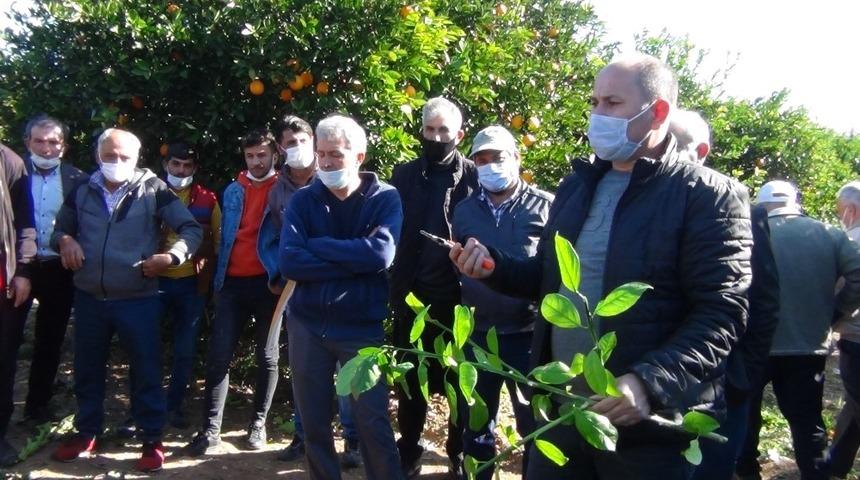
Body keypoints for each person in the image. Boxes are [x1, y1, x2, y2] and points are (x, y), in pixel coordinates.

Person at [450, 54, 753, 479]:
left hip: (647, 430)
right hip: (562, 411)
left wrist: (648, 383)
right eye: (593, 102)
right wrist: (493, 267)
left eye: (611, 103)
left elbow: (723, 313)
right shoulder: (577, 187)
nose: (597, 115)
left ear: (658, 112)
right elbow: (550, 280)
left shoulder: (708, 196)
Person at [49, 128, 202, 473]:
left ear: (136, 158)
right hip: (90, 297)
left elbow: (192, 229)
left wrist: (173, 257)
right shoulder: (83, 190)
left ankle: (151, 438)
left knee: (146, 370)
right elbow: (59, 229)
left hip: (138, 298)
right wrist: (65, 241)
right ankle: (87, 432)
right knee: (87, 370)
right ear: (97, 156)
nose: (116, 163)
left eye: (124, 157)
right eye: (109, 156)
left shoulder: (154, 190)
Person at [279, 114, 403, 480]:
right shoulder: (304, 201)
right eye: (321, 154)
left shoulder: (384, 198)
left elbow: (381, 255)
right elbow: (290, 262)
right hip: (307, 324)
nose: (327, 163)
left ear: (359, 156)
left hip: (360, 327)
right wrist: (354, 259)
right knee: (314, 425)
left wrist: (317, 247)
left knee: (373, 423)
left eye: (336, 154)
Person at [672, 110, 781, 480]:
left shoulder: (740, 211)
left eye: (674, 143)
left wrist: (742, 377)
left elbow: (763, 303)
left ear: (700, 151)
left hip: (719, 390)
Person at [736, 181, 860, 480]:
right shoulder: (828, 234)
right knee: (807, 421)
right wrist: (836, 310)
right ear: (796, 202)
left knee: (746, 416)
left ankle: (747, 472)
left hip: (754, 345)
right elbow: (858, 275)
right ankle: (814, 474)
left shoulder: (746, 232)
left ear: (762, 204)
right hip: (807, 345)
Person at [451, 125, 552, 479]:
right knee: (476, 426)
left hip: (528, 336)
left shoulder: (546, 207)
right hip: (477, 333)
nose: (490, 164)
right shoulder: (462, 211)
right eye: (482, 158)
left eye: (498, 157)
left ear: (516, 158)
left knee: (535, 428)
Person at [389, 96, 478, 477]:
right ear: (421, 131)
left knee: (460, 384)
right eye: (430, 129)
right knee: (411, 381)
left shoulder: (475, 176)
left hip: (460, 300)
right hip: (411, 296)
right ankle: (409, 449)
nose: (436, 136)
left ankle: (457, 453)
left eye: (444, 130)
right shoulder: (403, 175)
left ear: (459, 134)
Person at [269, 114, 361, 469]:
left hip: (346, 296)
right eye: (288, 144)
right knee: (306, 372)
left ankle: (352, 439)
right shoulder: (281, 190)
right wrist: (278, 271)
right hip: (301, 292)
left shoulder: (355, 190)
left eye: (301, 142)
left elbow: (370, 252)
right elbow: (283, 249)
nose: (298, 150)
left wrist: (319, 250)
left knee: (349, 373)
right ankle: (304, 436)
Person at [184, 129, 283, 456]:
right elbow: (224, 238)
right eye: (250, 156)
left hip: (268, 284)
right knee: (218, 356)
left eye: (262, 155)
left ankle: (258, 423)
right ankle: (211, 429)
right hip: (232, 283)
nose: (256, 161)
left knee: (266, 356)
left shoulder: (284, 189)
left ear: (273, 155)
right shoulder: (231, 191)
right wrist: (216, 282)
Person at [17, 116, 88, 424]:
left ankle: (36, 407)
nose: (46, 148)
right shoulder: (12, 174)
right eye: (39, 141)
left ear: (64, 146)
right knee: (8, 338)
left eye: (54, 142)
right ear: (27, 143)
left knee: (50, 339)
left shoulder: (78, 179)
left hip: (59, 268)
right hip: (20, 267)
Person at [157, 142, 221, 429]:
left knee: (185, 349)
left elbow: (218, 243)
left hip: (191, 284)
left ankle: (175, 405)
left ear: (194, 169)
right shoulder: (150, 193)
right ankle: (144, 405)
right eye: (175, 165)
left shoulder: (208, 200)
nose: (180, 171)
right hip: (152, 282)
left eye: (187, 166)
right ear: (165, 165)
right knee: (147, 346)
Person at [0, 143, 35, 467]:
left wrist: (23, 270)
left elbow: (25, 220)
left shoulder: (9, 162)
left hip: (2, 281)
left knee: (3, 358)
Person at [830, 180, 860, 479]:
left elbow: (844, 287)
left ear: (850, 210)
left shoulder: (851, 243)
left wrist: (835, 314)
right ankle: (836, 464)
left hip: (856, 338)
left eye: (840, 211)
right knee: (853, 402)